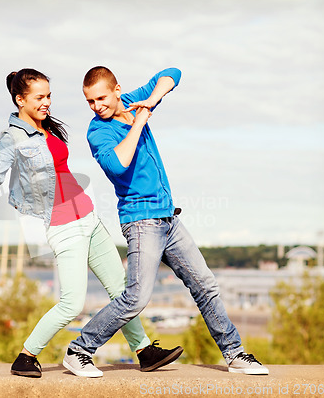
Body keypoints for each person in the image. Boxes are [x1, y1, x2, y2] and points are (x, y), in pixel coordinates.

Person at [0, 68, 180, 378]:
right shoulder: (13, 136)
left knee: (120, 290)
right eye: (40, 97)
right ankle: (26, 356)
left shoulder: (48, 129)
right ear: (20, 99)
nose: (47, 103)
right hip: (63, 225)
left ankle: (144, 352)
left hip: (88, 217)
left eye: (49, 96)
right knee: (71, 304)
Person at [62, 66, 269, 376]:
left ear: (117, 90)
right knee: (136, 297)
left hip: (169, 220)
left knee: (206, 285)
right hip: (141, 221)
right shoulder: (97, 131)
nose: (97, 106)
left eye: (101, 98)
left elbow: (173, 73)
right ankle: (79, 350)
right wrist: (141, 119)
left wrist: (151, 100)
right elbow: (119, 164)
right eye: (90, 101)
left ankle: (235, 354)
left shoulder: (133, 100)